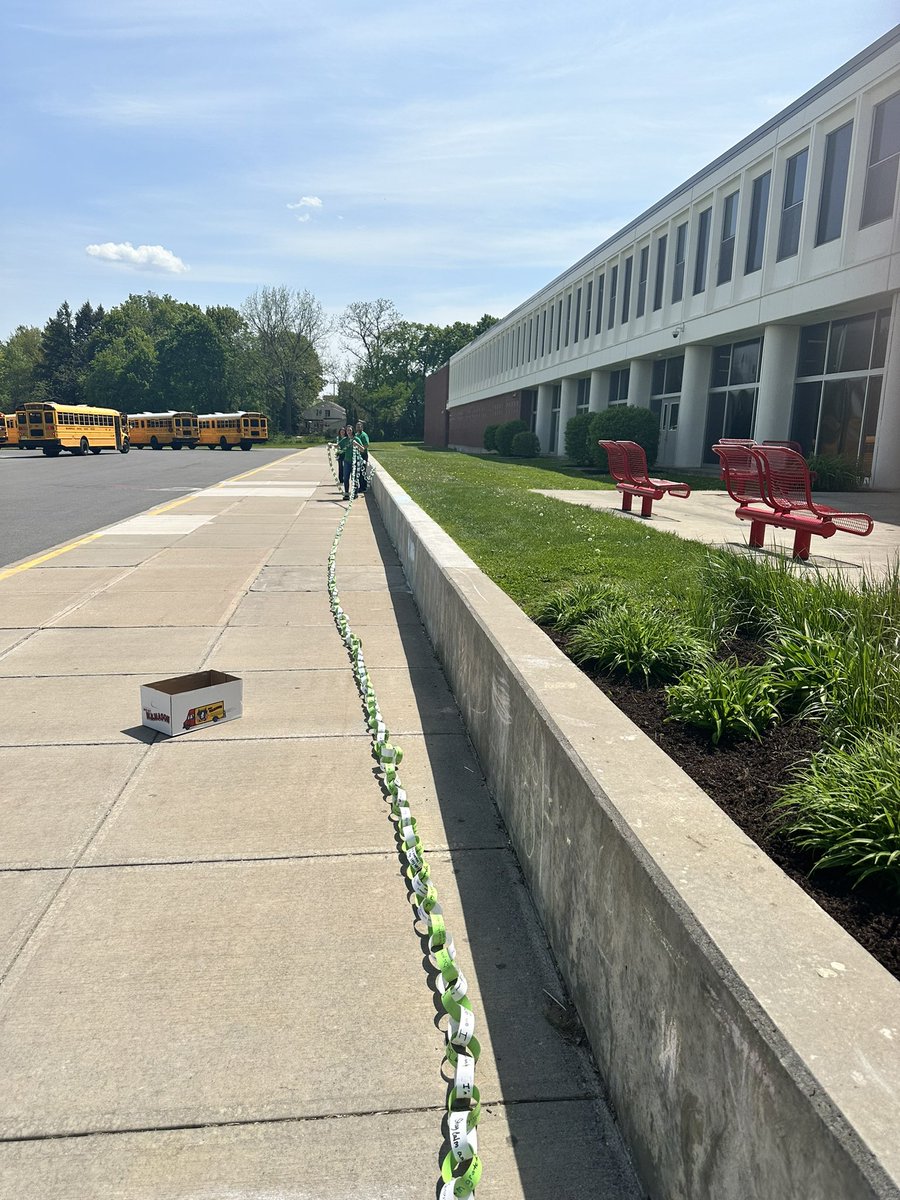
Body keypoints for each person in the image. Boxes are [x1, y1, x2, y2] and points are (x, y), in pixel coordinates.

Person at [354, 421, 370, 493]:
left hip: (363, 455)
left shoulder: (364, 435)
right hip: (357, 455)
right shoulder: (356, 435)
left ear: (362, 427)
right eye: (357, 426)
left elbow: (366, 445)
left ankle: (364, 487)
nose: (358, 427)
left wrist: (360, 449)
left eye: (359, 426)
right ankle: (360, 486)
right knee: (358, 471)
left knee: (362, 470)